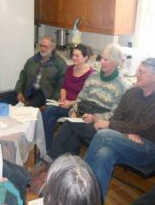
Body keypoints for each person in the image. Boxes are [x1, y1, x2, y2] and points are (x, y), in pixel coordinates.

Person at [84, 58, 155, 201]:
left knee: (104, 134)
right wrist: (127, 132)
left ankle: (76, 183)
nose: (136, 74)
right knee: (104, 154)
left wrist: (119, 127)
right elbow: (117, 118)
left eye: (142, 72)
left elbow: (143, 126)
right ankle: (93, 200)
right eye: (137, 71)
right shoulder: (132, 93)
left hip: (153, 150)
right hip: (127, 141)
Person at [32, 44, 128, 173]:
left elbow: (115, 113)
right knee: (70, 129)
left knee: (69, 126)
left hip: (99, 125)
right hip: (83, 116)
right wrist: (74, 111)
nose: (102, 62)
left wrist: (95, 118)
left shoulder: (121, 85)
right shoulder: (93, 77)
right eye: (102, 58)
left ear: (116, 63)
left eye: (106, 60)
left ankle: (49, 158)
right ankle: (67, 168)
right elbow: (80, 98)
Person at [42, 44, 95, 150]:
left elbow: (87, 99)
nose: (73, 58)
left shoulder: (91, 74)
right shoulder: (70, 69)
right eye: (73, 55)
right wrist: (62, 98)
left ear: (85, 57)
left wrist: (70, 103)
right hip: (65, 103)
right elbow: (63, 87)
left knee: (62, 120)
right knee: (48, 111)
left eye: (77, 56)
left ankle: (62, 150)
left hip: (78, 108)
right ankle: (48, 147)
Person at [15, 36, 67, 107]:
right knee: (6, 101)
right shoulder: (32, 60)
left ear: (53, 47)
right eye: (41, 46)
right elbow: (22, 76)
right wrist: (19, 91)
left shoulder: (60, 64)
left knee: (30, 106)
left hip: (45, 95)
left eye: (45, 46)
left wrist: (52, 102)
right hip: (29, 92)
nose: (42, 49)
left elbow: (61, 85)